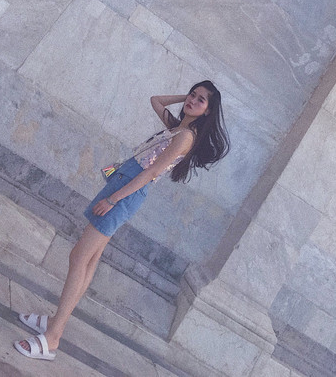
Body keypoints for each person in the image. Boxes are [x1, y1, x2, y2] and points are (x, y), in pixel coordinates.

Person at [13, 81, 229, 361]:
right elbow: (155, 99)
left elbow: (151, 172)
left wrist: (114, 199)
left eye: (201, 100)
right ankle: (55, 323)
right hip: (123, 182)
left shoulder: (185, 136)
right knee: (89, 258)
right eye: (192, 94)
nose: (192, 100)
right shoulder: (177, 127)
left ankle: (53, 336)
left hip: (127, 191)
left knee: (79, 256)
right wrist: (185, 100)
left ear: (208, 111)